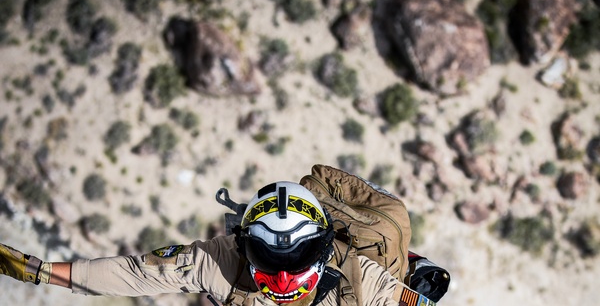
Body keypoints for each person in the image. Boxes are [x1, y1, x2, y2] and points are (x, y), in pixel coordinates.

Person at [1, 181, 418, 306]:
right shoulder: (220, 259)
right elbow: (135, 274)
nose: (285, 276)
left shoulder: (362, 281)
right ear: (245, 246)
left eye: (299, 255)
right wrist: (40, 272)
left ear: (325, 248)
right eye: (268, 257)